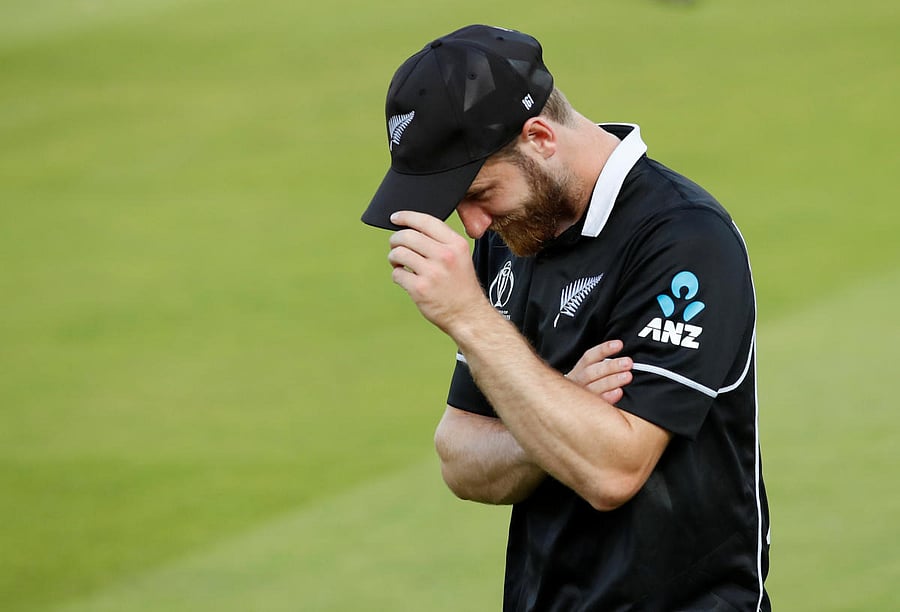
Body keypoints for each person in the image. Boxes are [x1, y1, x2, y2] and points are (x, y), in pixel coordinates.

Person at [361, 24, 770, 611]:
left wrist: (473, 322)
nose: (472, 225)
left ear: (539, 138)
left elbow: (612, 470)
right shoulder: (514, 232)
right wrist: (556, 410)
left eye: (479, 192)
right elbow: (460, 460)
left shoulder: (683, 238)